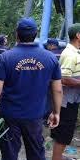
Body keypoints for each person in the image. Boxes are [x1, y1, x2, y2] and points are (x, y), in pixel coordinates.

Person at [0, 17, 63, 160]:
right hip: (35, 116)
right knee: (36, 153)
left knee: (9, 153)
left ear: (17, 34)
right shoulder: (50, 58)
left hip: (9, 116)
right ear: (35, 34)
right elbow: (57, 89)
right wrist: (56, 112)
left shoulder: (6, 57)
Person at [51, 23, 80, 160]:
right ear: (78, 36)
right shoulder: (69, 54)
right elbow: (64, 79)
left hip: (72, 101)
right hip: (66, 102)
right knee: (62, 136)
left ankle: (59, 157)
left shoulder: (75, 52)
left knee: (65, 134)